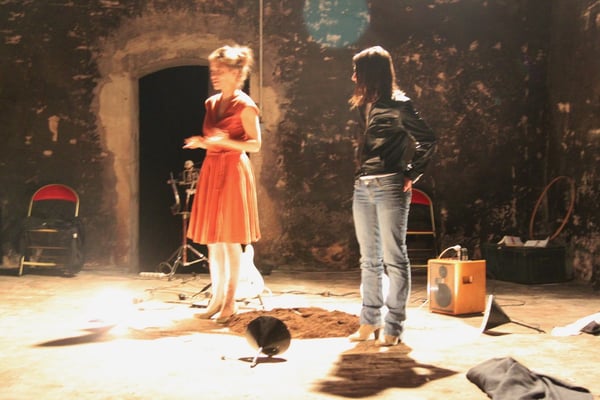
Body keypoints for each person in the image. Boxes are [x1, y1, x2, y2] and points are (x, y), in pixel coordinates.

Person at [348, 46, 436, 346]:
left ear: (370, 73)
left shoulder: (400, 105)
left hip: (389, 185)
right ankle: (369, 321)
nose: (353, 77)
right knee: (368, 260)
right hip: (363, 186)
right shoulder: (366, 105)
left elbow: (428, 139)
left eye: (357, 71)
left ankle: (394, 327)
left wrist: (411, 173)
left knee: (394, 258)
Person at [183, 45, 261, 324]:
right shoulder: (212, 103)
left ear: (237, 73)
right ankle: (216, 299)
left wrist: (224, 141)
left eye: (221, 70)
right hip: (212, 168)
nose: (214, 75)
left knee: (229, 239)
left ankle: (230, 303)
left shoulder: (246, 106)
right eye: (213, 70)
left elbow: (255, 144)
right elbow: (214, 139)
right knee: (213, 240)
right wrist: (203, 143)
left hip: (232, 169)